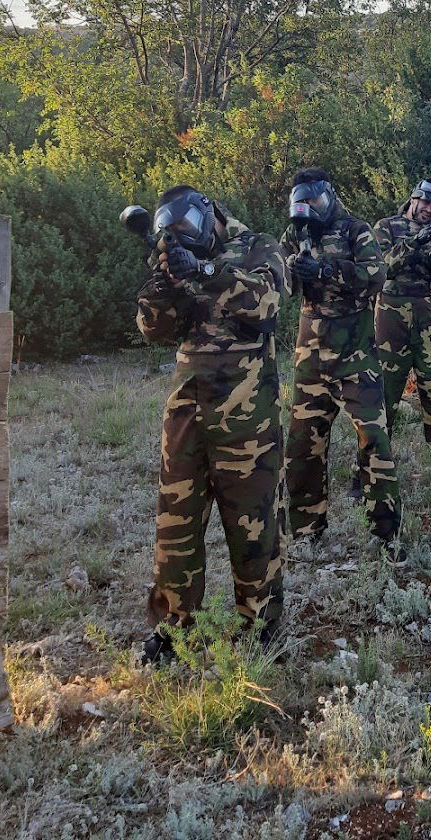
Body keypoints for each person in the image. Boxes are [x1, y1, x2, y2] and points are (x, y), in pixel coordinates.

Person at [134, 186, 287, 665]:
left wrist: (205, 271)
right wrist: (161, 284)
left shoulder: (259, 247)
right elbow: (153, 329)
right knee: (174, 530)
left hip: (247, 416)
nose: (186, 241)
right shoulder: (176, 257)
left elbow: (266, 306)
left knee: (254, 529)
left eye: (190, 231)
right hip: (187, 413)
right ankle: (174, 629)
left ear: (212, 216)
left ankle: (261, 627)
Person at [281, 168, 402, 558]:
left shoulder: (354, 230)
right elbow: (276, 281)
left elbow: (376, 276)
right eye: (303, 202)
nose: (309, 208)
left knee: (374, 443)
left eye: (314, 200)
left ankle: (386, 537)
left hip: (355, 358)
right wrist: (291, 271)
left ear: (328, 194)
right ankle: (305, 533)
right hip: (310, 361)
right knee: (302, 448)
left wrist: (327, 270)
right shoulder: (295, 233)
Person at [373, 175, 431, 487]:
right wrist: (419, 239)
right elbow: (384, 266)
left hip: (425, 314)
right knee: (384, 396)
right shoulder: (386, 226)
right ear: (413, 199)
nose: (428, 208)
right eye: (424, 201)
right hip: (390, 314)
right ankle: (370, 470)